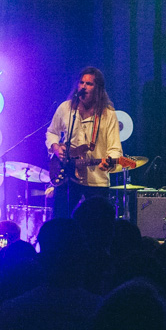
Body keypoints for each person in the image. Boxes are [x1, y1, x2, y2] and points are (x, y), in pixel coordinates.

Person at [46, 67, 123, 220]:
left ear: (98, 89)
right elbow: (52, 132)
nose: (83, 87)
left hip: (96, 180)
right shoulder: (66, 108)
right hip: (67, 175)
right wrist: (55, 147)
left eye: (89, 84)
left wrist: (108, 162)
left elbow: (115, 149)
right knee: (60, 220)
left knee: (97, 223)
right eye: (81, 83)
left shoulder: (109, 115)